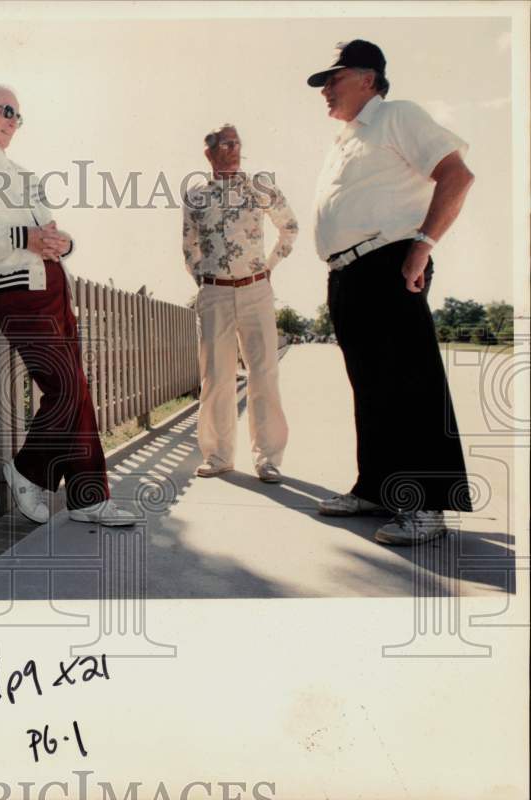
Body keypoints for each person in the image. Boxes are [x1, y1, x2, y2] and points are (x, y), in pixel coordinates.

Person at [0, 84, 134, 526]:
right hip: (16, 285)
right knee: (64, 386)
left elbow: (47, 228)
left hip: (54, 284)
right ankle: (26, 472)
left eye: (19, 116)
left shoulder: (22, 173)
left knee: (77, 388)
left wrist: (63, 241)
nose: (14, 122)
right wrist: (24, 238)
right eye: (7, 111)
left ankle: (88, 498)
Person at [307, 40, 475, 544]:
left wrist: (422, 247)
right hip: (348, 274)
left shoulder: (398, 115)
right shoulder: (348, 139)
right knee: (372, 386)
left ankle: (426, 506)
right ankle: (379, 488)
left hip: (391, 263)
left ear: (366, 77)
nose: (325, 92)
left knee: (410, 383)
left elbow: (457, 175)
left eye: (332, 80)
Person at [183, 124, 298, 482]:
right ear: (210, 152)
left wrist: (269, 267)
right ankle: (218, 455)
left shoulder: (259, 187)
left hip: (255, 290)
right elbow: (189, 246)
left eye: (237, 143)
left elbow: (289, 226)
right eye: (226, 144)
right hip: (214, 292)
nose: (234, 149)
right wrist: (203, 278)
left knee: (263, 373)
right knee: (216, 376)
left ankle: (268, 458)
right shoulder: (196, 196)